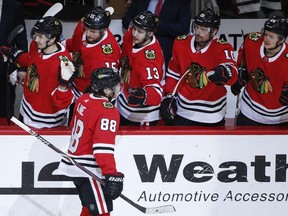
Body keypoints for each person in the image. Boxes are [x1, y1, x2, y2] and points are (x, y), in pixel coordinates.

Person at [57, 67, 124, 216]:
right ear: (106, 90)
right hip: (89, 169)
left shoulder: (83, 99)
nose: (117, 89)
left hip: (75, 166)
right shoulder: (108, 110)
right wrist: (110, 173)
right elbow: (102, 149)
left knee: (89, 209)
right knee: (101, 213)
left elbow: (74, 125)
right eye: (114, 87)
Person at [160, 8, 238, 126]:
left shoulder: (223, 48)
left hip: (212, 114)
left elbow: (232, 70)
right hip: (183, 111)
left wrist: (225, 72)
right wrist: (169, 97)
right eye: (196, 27)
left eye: (203, 29)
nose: (198, 32)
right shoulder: (181, 43)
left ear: (214, 31)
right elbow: (173, 74)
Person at [0, 16, 77, 128]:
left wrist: (63, 86)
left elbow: (63, 103)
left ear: (52, 39)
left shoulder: (63, 64)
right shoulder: (36, 45)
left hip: (47, 121)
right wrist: (16, 55)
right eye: (36, 34)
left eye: (40, 36)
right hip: (26, 109)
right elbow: (31, 60)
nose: (35, 39)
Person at [231, 16, 288, 126]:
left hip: (281, 118)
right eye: (265, 34)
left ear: (281, 39)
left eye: (271, 36)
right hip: (249, 112)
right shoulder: (251, 42)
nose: (266, 39)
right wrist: (241, 76)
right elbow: (243, 64)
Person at [116, 10, 165, 126]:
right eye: (135, 28)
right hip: (123, 103)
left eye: (140, 31)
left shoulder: (150, 59)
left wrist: (145, 96)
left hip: (142, 115)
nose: (135, 34)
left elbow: (156, 92)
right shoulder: (131, 36)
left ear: (150, 33)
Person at [64, 6, 121, 99]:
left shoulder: (107, 55)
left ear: (104, 30)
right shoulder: (83, 25)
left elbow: (107, 87)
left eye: (93, 31)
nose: (87, 34)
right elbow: (76, 42)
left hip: (88, 92)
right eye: (86, 29)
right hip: (73, 85)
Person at [122, 0, 191, 69]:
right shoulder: (139, 1)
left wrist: (152, 26)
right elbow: (126, 19)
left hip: (164, 53)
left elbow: (183, 28)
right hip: (135, 52)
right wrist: (138, 26)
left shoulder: (181, 2)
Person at [0, 0, 28, 125]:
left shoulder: (14, 6)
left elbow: (21, 37)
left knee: (5, 101)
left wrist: (22, 67)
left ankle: (5, 132)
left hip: (5, 63)